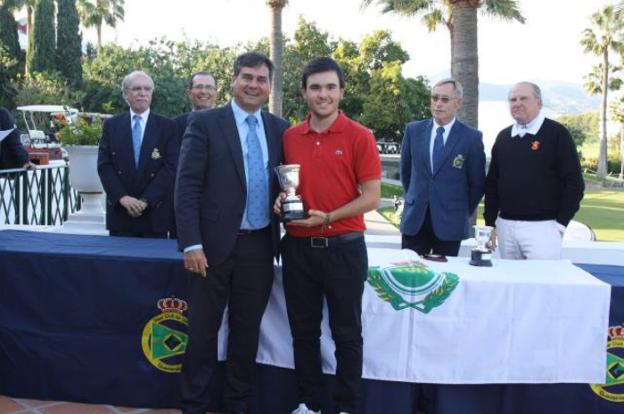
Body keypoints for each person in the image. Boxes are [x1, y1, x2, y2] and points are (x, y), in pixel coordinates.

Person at [175, 52, 288, 414]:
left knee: (246, 332)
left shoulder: (279, 128)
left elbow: (285, 182)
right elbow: (187, 186)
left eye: (261, 79)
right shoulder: (206, 123)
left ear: (269, 86)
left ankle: (236, 404)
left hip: (259, 246)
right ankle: (193, 405)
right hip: (209, 250)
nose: (254, 85)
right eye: (247, 78)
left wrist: (285, 199)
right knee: (203, 333)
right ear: (234, 80)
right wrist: (191, 243)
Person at [273, 57, 381, 414]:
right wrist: (280, 201)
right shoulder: (289, 136)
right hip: (299, 250)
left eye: (330, 87)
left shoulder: (360, 136)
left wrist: (329, 217)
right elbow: (287, 188)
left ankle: (348, 406)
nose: (323, 95)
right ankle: (309, 403)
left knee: (347, 334)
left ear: (341, 91)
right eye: (316, 87)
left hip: (344, 249)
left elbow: (372, 197)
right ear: (304, 92)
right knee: (303, 334)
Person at [484, 81, 585, 259]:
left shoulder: (557, 134)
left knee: (544, 285)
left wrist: (560, 224)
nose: (517, 103)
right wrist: (490, 223)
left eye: (524, 98)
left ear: (539, 103)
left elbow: (574, 183)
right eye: (513, 99)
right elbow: (492, 184)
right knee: (510, 285)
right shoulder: (503, 137)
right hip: (505, 227)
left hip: (544, 229)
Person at [400, 78, 485, 257]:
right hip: (415, 221)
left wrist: (459, 210)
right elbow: (406, 173)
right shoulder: (413, 131)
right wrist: (414, 198)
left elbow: (477, 183)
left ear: (458, 103)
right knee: (407, 275)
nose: (438, 104)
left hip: (450, 224)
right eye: (434, 98)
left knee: (446, 280)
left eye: (445, 99)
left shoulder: (471, 138)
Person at [97, 70, 178, 238]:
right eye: (136, 89)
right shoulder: (112, 126)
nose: (142, 93)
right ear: (125, 94)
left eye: (147, 89)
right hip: (121, 214)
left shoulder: (168, 127)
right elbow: (105, 166)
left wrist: (145, 201)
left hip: (155, 215)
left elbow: (171, 168)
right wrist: (123, 198)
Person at [173, 71, 218, 138]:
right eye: (198, 87)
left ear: (216, 94)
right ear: (189, 93)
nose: (203, 91)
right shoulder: (175, 125)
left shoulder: (228, 124)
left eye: (209, 87)